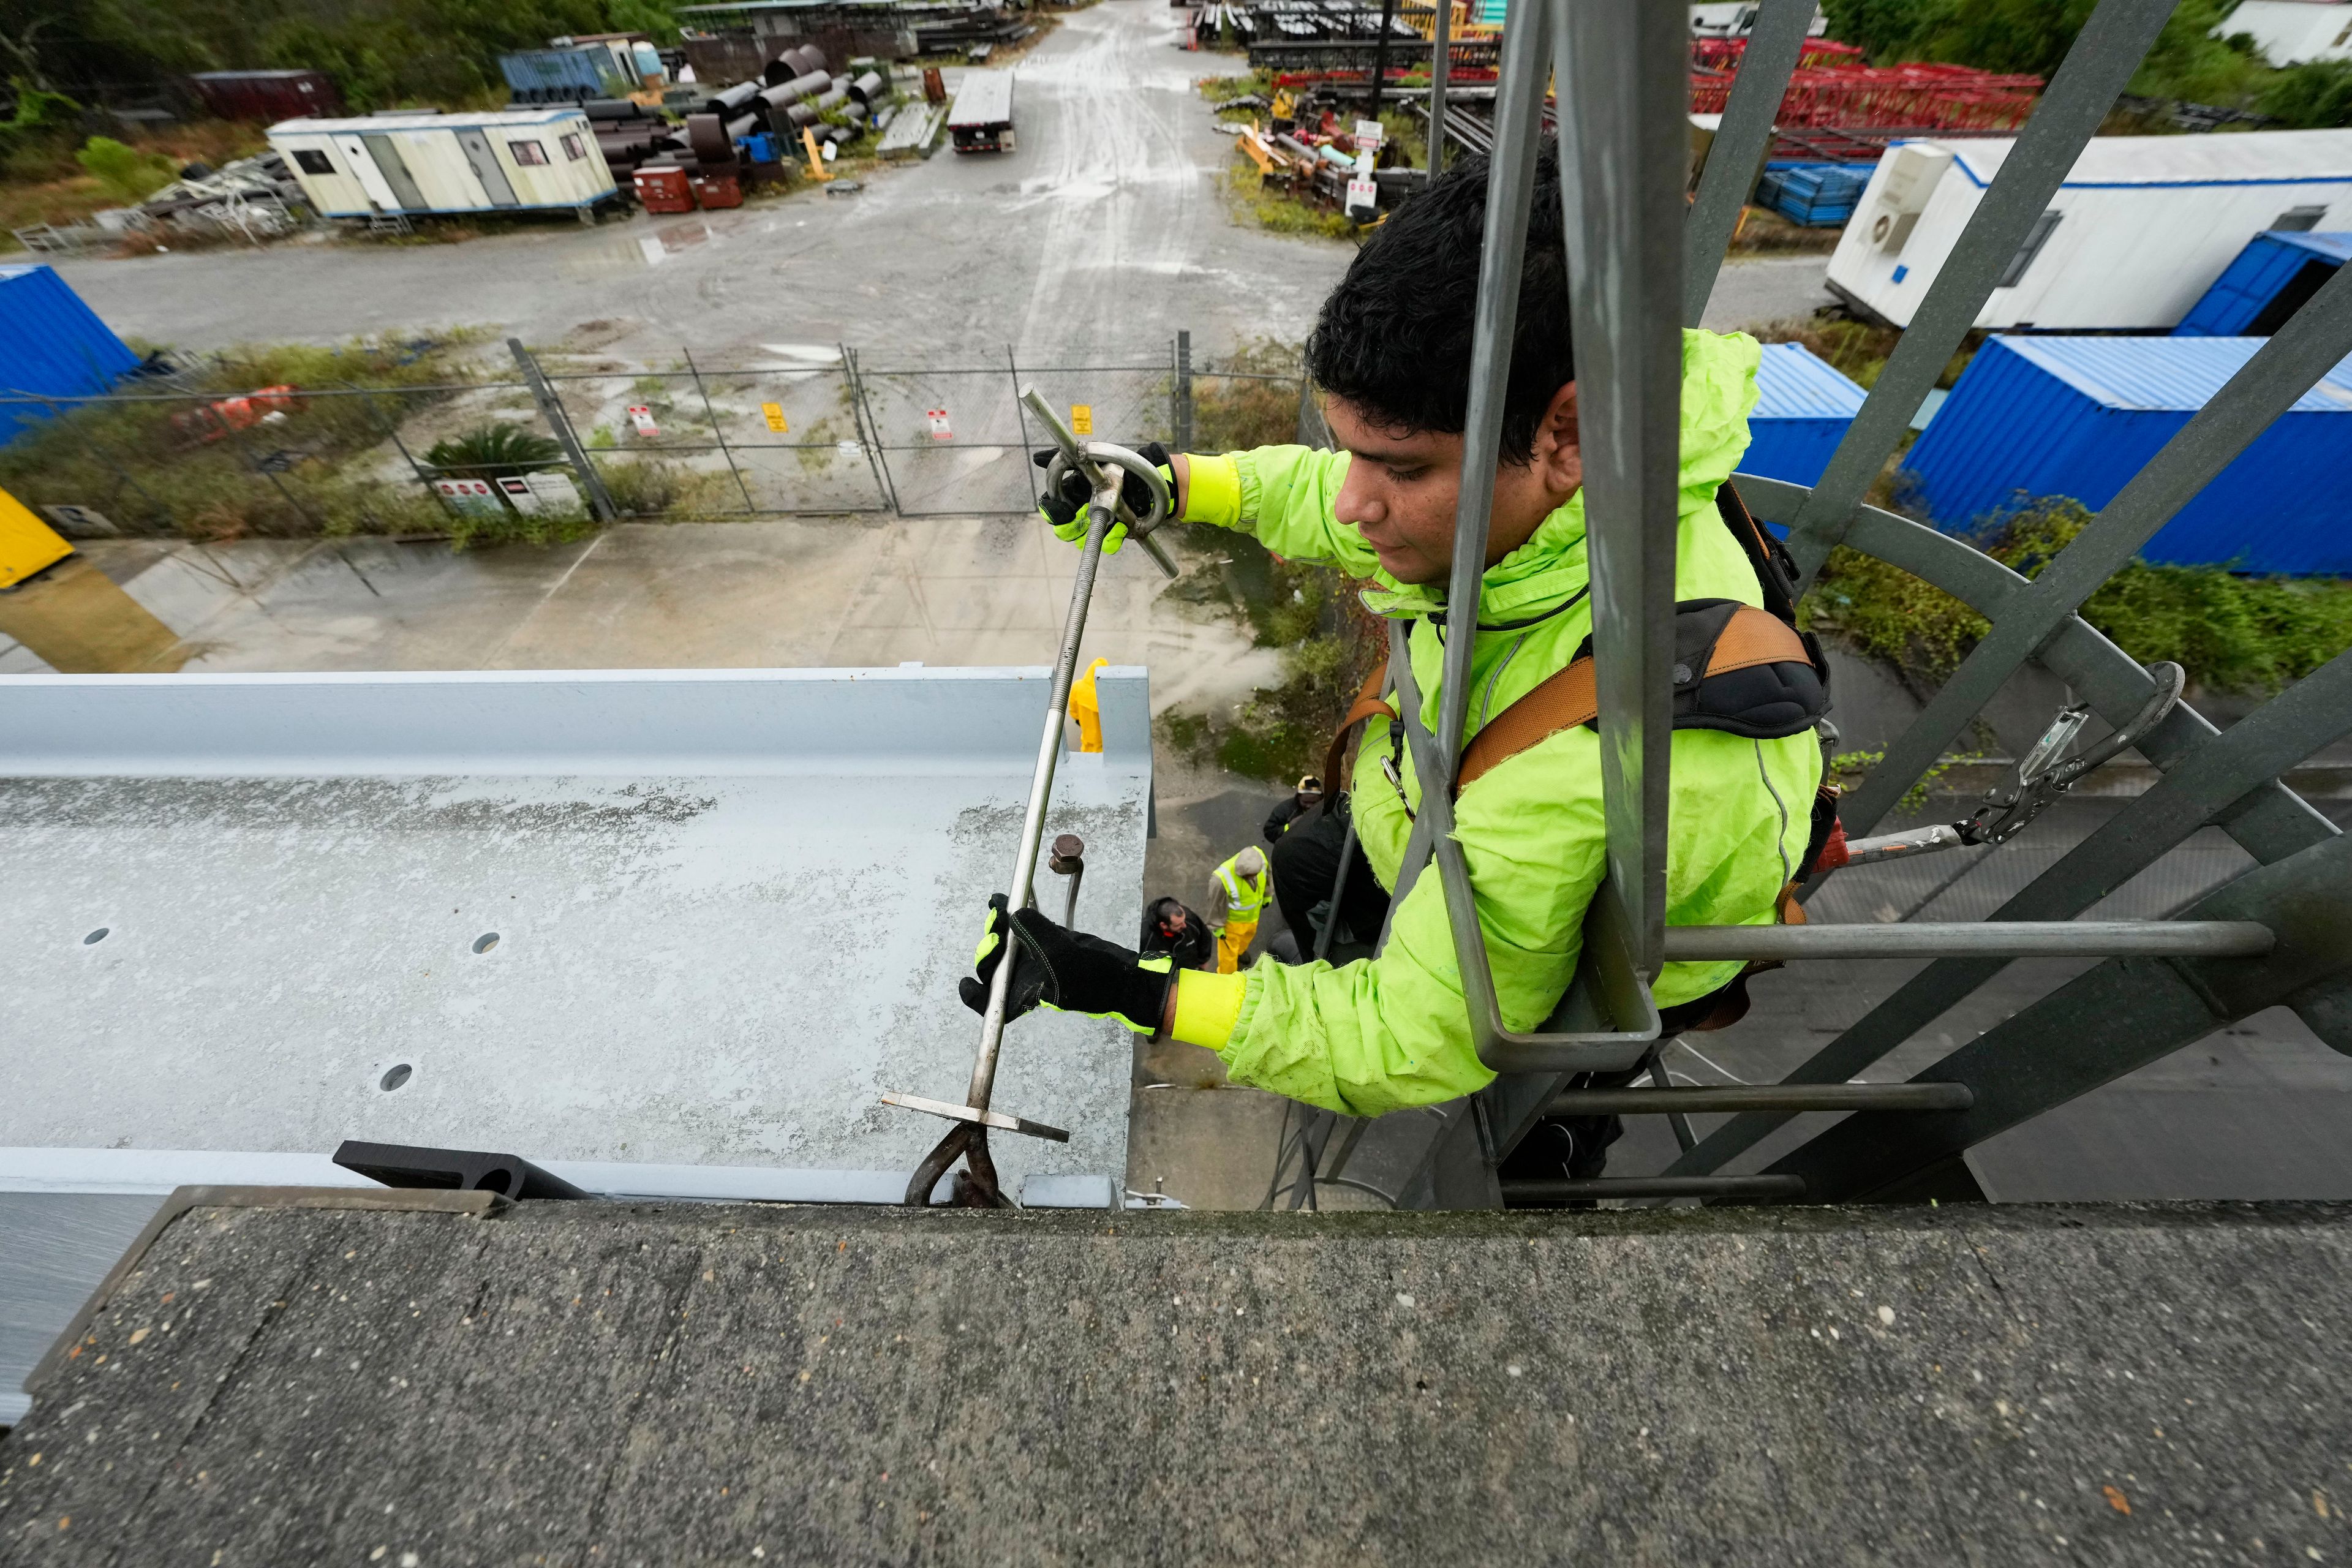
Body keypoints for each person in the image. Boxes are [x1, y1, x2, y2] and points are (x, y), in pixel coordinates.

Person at [960, 141, 1822, 1150]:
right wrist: (1178, 482)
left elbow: (1407, 1038)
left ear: (1569, 435)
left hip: (1553, 988)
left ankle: (1551, 1148)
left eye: (1399, 467)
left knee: (1510, 1124)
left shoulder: (1614, 764)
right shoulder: (1563, 500)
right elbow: (1340, 499)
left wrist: (1139, 993)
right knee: (1309, 861)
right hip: (1434, 819)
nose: (1356, 500)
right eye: (1351, 451)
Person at [1203, 846, 1270, 973]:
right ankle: (1226, 977)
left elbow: (1268, 875)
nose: (1251, 878)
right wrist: (1217, 927)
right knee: (1228, 956)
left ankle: (1240, 952)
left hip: (1253, 917)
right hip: (1232, 924)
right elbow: (1216, 905)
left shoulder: (1260, 859)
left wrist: (1268, 894)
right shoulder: (1221, 879)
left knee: (1247, 937)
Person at [1138, 896, 1213, 973]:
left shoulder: (1189, 919)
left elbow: (1205, 938)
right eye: (1178, 925)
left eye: (1184, 920)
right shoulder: (1145, 936)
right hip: (1162, 979)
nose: (1185, 926)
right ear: (1164, 925)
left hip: (1189, 971)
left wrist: (1203, 962)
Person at [1261, 775, 1324, 845]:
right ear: (1299, 797)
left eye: (1313, 803)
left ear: (1320, 798)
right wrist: (1289, 827)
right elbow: (1269, 832)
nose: (1309, 806)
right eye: (1305, 802)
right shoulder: (1285, 809)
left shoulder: (1329, 810)